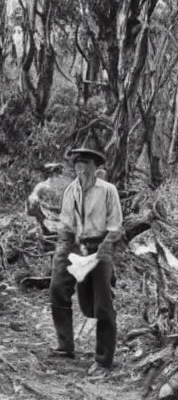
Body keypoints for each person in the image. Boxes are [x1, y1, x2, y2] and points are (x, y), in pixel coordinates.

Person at [48, 133, 122, 373]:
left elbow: (116, 228)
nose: (82, 168)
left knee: (101, 304)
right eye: (78, 163)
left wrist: (101, 249)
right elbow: (66, 224)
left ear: (95, 167)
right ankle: (65, 344)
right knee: (58, 288)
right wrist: (64, 247)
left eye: (87, 164)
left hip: (100, 246)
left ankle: (103, 360)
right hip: (74, 245)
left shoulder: (108, 191)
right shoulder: (71, 190)